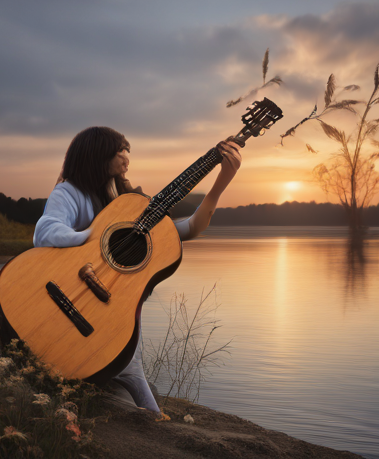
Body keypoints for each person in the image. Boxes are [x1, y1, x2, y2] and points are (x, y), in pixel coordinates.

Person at [33, 126, 241, 412]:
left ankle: (127, 385)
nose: (126, 157)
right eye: (120, 150)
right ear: (97, 154)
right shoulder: (68, 192)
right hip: (69, 296)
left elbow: (187, 229)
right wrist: (94, 239)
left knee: (136, 383)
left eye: (127, 150)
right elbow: (45, 231)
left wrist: (221, 182)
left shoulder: (129, 202)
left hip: (117, 311)